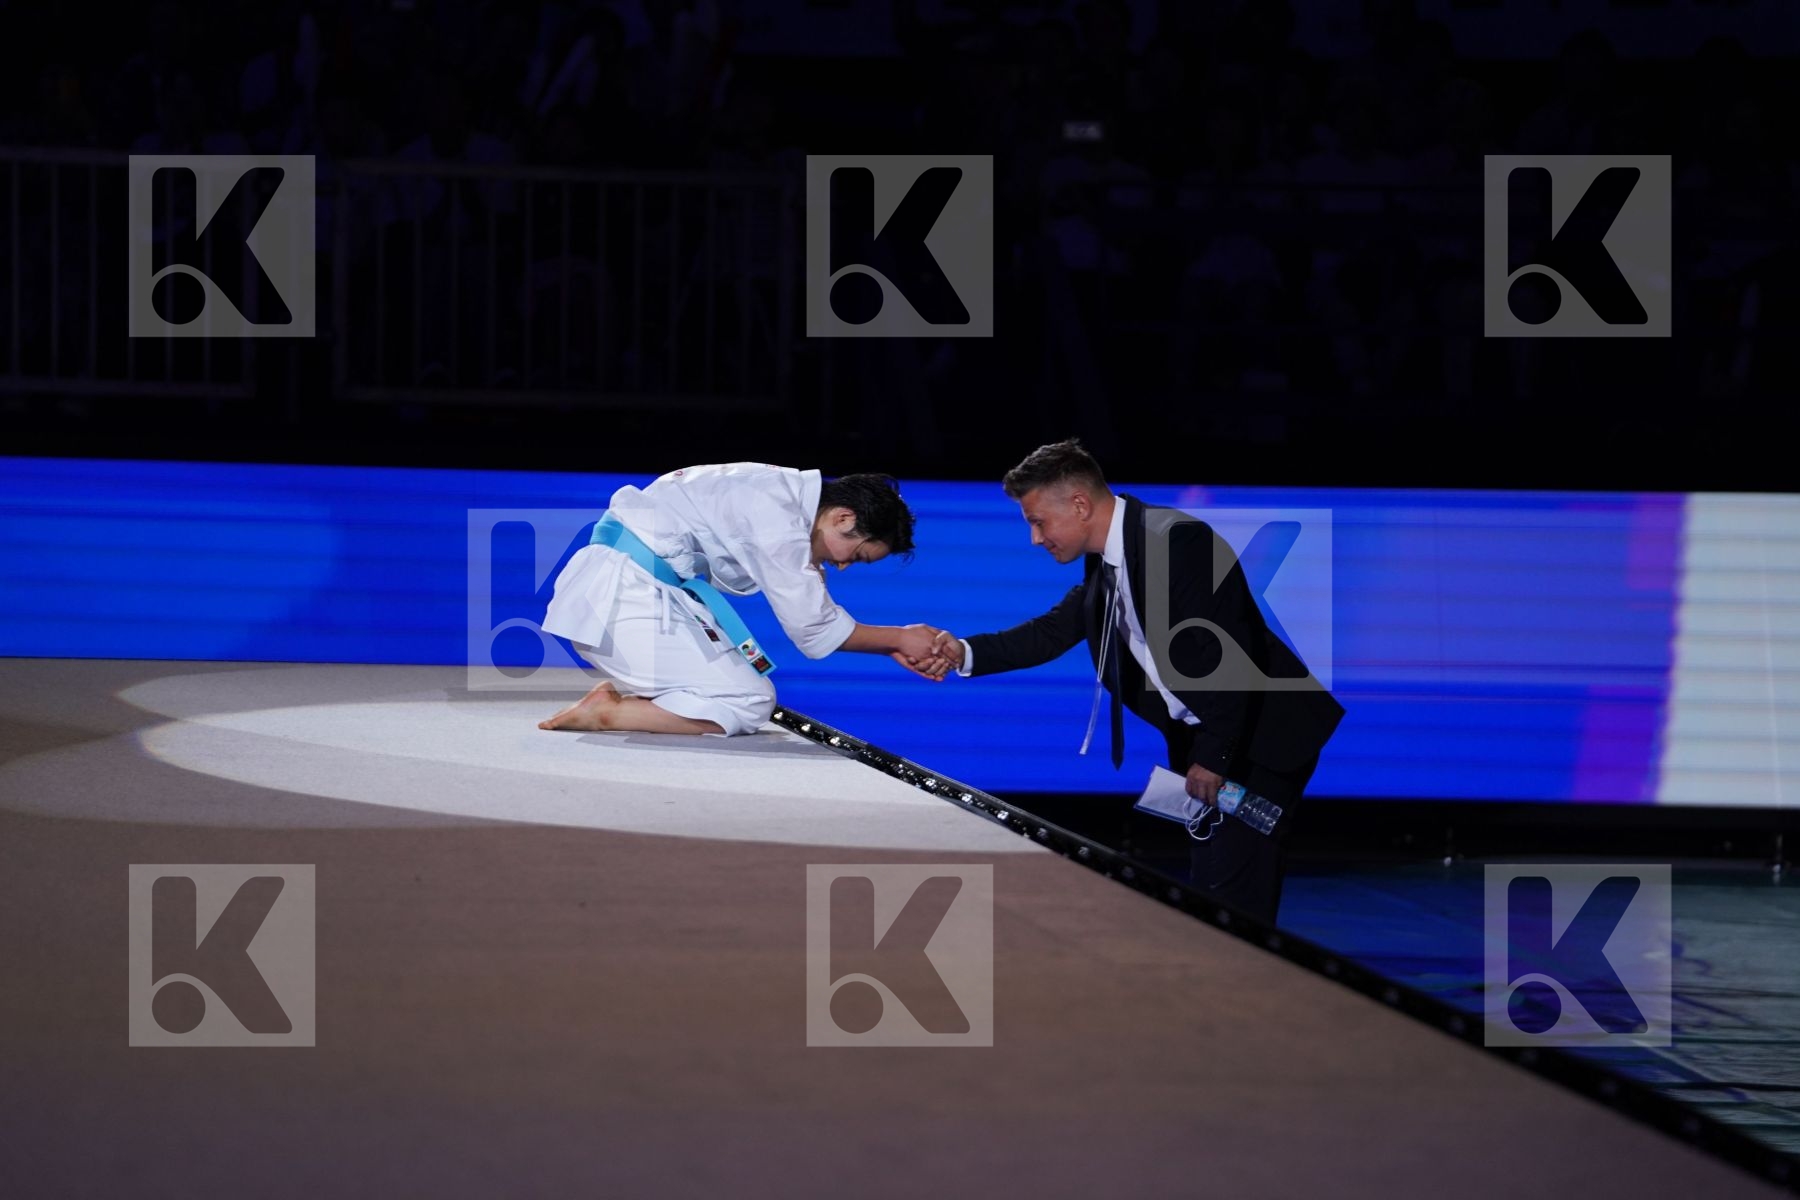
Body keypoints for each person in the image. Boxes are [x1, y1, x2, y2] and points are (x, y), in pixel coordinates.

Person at [929, 440, 1344, 922]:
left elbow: (1232, 655)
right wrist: (962, 652)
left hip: (1259, 738)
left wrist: (1213, 756)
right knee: (1213, 888)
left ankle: (1243, 990)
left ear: (1080, 505)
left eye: (1037, 521)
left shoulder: (1177, 541)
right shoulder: (1110, 559)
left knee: (1232, 898)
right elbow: (1052, 632)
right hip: (1212, 740)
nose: (1035, 539)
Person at [537, 463, 949, 737]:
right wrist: (898, 638)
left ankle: (641, 700)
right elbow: (813, 628)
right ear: (843, 518)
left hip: (640, 592)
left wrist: (893, 641)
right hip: (622, 597)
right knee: (749, 700)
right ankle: (607, 713)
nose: (843, 567)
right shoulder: (778, 512)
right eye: (856, 556)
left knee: (749, 690)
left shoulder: (775, 493)